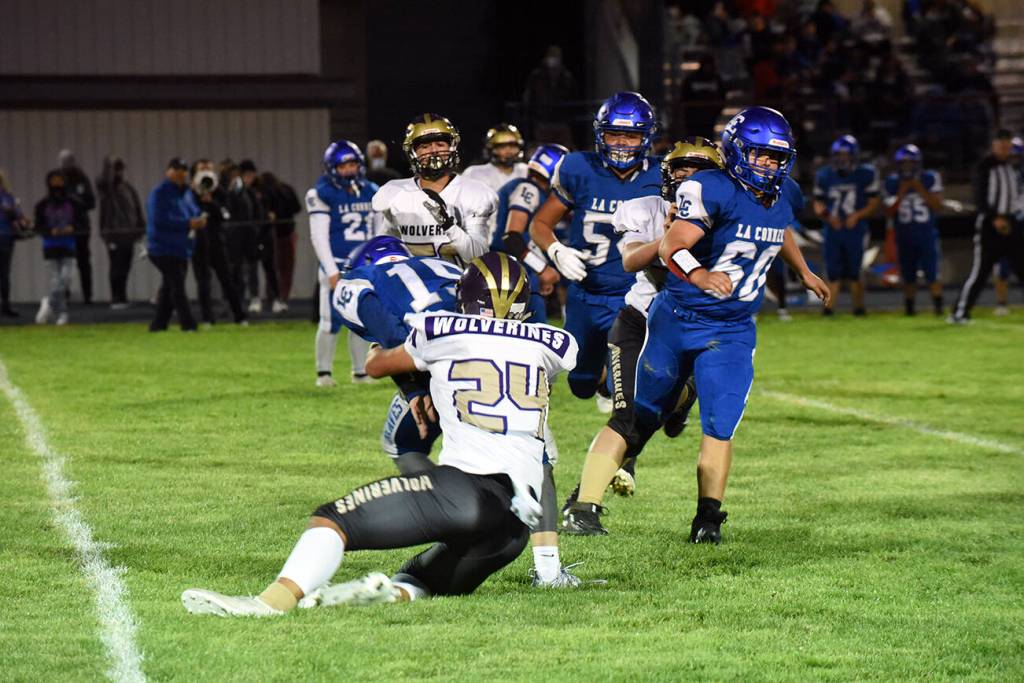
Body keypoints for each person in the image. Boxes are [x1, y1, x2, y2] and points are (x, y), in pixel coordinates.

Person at [181, 252, 579, 616]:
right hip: (513, 530)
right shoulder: (557, 343)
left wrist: (378, 344)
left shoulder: (439, 329)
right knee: (418, 579)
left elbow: (377, 365)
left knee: (332, 520)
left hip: (468, 491)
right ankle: (384, 596)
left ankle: (268, 604)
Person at [633, 107, 829, 544]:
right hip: (680, 317)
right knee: (643, 410)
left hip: (733, 328)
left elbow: (780, 227)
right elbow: (674, 245)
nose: (769, 165)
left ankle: (708, 519)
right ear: (738, 152)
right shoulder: (708, 187)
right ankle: (608, 476)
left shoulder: (786, 193)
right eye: (760, 155)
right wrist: (699, 275)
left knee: (720, 424)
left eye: (777, 158)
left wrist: (803, 271)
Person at [334, 240, 580, 587]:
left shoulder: (361, 281)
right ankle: (548, 569)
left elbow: (384, 350)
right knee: (541, 454)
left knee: (402, 444)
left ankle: (445, 511)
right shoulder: (447, 269)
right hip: (500, 374)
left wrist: (413, 388)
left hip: (440, 363)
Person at [561, 138, 723, 535]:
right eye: (681, 169)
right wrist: (667, 238)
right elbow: (632, 259)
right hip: (641, 322)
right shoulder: (643, 208)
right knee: (629, 416)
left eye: (699, 171)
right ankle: (582, 506)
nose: (688, 177)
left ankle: (680, 400)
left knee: (651, 416)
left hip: (694, 326)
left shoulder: (727, 214)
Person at [529, 91, 661, 413]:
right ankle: (600, 378)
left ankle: (624, 452)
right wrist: (557, 251)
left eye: (631, 136)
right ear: (600, 134)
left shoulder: (661, 175)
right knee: (581, 384)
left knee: (629, 388)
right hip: (586, 293)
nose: (621, 143)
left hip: (635, 296)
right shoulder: (579, 168)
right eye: (614, 134)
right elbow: (540, 224)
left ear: (645, 137)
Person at [373, 114, 496, 267]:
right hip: (412, 287)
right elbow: (382, 249)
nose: (433, 151)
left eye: (440, 144)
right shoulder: (395, 192)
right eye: (425, 147)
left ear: (452, 146)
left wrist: (448, 225)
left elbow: (478, 256)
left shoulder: (474, 193)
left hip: (459, 287)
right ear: (412, 153)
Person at [307, 140, 381, 386]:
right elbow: (318, 235)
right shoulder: (321, 193)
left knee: (362, 321)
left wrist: (377, 263)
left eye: (352, 164)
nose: (349, 170)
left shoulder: (371, 190)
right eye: (343, 165)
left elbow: (379, 232)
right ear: (331, 168)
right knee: (330, 322)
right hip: (337, 264)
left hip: (363, 265)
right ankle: (324, 373)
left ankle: (360, 371)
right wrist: (330, 270)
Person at [951, 129, 1024, 322]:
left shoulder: (1011, 168)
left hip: (1011, 223)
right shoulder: (985, 166)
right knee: (981, 272)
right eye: (1001, 144)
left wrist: (1012, 220)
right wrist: (993, 218)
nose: (1004, 148)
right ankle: (960, 312)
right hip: (990, 226)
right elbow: (979, 196)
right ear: (993, 145)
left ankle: (961, 311)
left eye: (1007, 145)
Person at [491, 143, 569, 323]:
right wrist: (542, 269)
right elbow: (512, 237)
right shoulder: (529, 189)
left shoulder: (531, 189)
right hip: (510, 271)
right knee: (535, 336)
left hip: (513, 270)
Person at [813, 134, 881, 315]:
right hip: (833, 229)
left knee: (855, 270)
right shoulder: (824, 174)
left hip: (856, 229)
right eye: (839, 155)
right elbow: (818, 204)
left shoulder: (866, 173)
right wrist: (829, 217)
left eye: (845, 154)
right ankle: (828, 310)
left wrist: (857, 216)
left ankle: (859, 308)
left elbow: (874, 202)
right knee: (832, 270)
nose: (842, 158)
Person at [884, 144, 945, 316]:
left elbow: (938, 206)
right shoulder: (893, 181)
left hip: (926, 234)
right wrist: (901, 192)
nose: (907, 167)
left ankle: (938, 309)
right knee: (908, 275)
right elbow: (888, 212)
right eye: (904, 163)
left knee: (932, 274)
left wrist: (920, 188)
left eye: (911, 163)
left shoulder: (929, 178)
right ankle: (910, 309)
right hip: (904, 235)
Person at [146, 158, 205, 332]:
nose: (181, 173)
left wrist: (199, 219)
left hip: (181, 247)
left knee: (169, 286)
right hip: (162, 247)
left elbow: (194, 210)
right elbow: (159, 220)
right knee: (177, 286)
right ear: (168, 171)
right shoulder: (159, 193)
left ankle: (158, 324)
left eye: (184, 170)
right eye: (177, 169)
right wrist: (188, 223)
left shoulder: (186, 192)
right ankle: (188, 325)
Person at [189, 160, 246, 326]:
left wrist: (211, 201)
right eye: (201, 169)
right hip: (198, 242)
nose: (205, 173)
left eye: (208, 169)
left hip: (217, 241)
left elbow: (226, 215)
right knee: (203, 281)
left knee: (226, 279)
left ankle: (239, 316)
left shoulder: (219, 191)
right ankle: (207, 318)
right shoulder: (189, 193)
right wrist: (195, 194)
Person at [97, 156, 145, 309]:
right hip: (113, 234)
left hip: (129, 233)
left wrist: (140, 228)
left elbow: (137, 208)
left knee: (125, 266)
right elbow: (103, 181)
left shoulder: (128, 188)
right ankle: (116, 298)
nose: (119, 172)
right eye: (116, 169)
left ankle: (122, 297)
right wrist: (108, 166)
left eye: (120, 169)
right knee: (116, 266)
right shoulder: (107, 189)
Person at [33, 170, 77, 326]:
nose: (57, 184)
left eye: (60, 180)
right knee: (55, 280)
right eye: (54, 181)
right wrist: (50, 231)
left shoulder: (73, 203)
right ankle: (62, 313)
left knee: (66, 278)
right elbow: (37, 226)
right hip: (50, 246)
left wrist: (72, 228)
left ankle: (49, 304)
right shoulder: (42, 205)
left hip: (68, 245)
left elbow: (82, 223)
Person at [58, 150, 96, 304]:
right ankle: (64, 294)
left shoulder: (82, 178)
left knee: (84, 261)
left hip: (81, 228)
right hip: (63, 228)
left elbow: (91, 203)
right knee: (64, 262)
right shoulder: (57, 179)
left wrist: (76, 201)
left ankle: (88, 295)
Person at [261, 172, 302, 307]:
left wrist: (275, 215)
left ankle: (273, 296)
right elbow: (297, 208)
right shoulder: (287, 189)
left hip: (272, 234)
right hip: (288, 232)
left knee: (272, 268)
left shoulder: (266, 192)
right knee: (286, 268)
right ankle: (283, 296)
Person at [462, 124, 529, 196]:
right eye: (502, 146)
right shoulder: (474, 173)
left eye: (512, 145)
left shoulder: (526, 170)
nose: (508, 150)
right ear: (491, 149)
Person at [0, 169, 29, 317]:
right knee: (4, 273)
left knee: (4, 273)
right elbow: (19, 217)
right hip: (5, 237)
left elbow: (18, 216)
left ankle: (5, 305)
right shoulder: (7, 198)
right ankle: (5, 305)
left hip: (5, 237)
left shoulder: (8, 197)